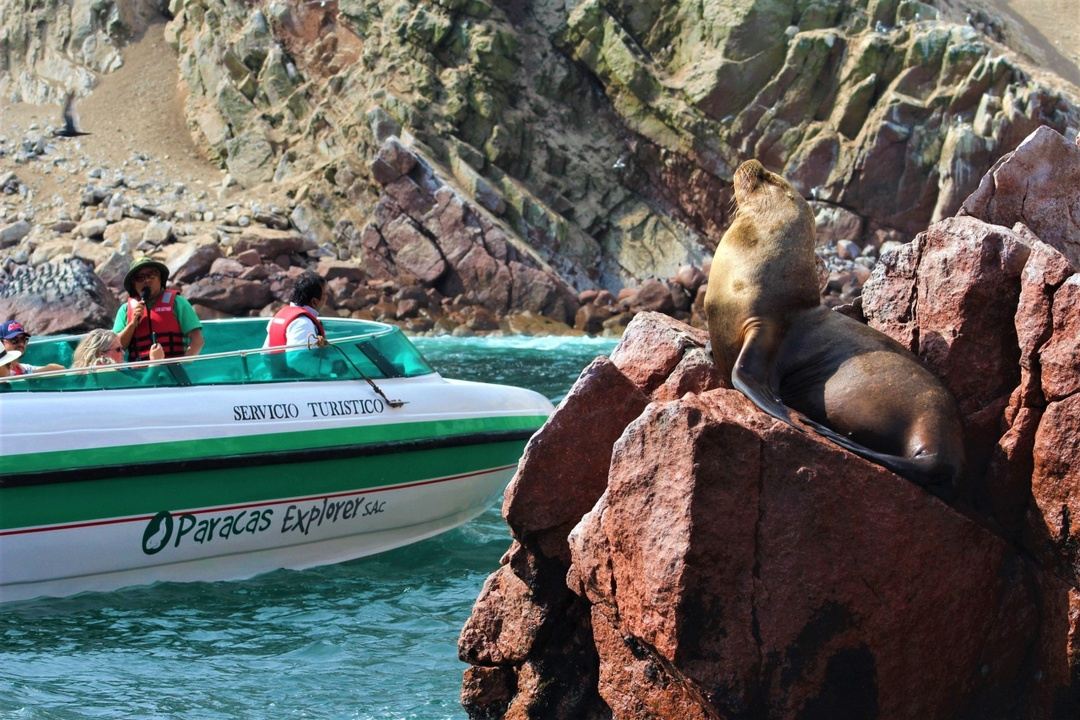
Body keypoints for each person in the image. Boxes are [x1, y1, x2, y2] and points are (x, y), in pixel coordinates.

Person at [113, 258, 204, 361]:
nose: (146, 280)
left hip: (173, 372)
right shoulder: (124, 310)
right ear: (133, 284)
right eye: (139, 277)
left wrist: (183, 364)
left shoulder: (178, 303)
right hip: (139, 374)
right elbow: (116, 348)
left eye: (151, 275)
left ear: (160, 278)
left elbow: (198, 340)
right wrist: (132, 324)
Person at [263, 271, 329, 349]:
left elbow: (265, 352)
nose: (327, 298)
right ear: (314, 301)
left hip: (272, 361)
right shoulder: (303, 324)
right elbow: (298, 358)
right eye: (325, 294)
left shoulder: (278, 317)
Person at [72, 329, 162, 368]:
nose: (123, 353)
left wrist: (130, 368)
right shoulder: (106, 373)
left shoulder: (82, 373)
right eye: (118, 350)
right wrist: (155, 362)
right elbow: (144, 386)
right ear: (101, 354)